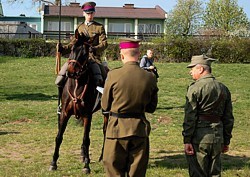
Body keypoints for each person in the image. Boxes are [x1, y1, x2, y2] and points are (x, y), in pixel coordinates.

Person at [101, 38, 158, 177]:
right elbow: (151, 107)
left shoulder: (113, 75)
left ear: (121, 55)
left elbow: (105, 105)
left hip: (116, 129)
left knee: (114, 171)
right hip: (139, 129)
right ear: (139, 55)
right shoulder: (150, 77)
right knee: (137, 172)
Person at [182, 55, 234, 176]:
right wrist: (226, 140)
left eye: (193, 68)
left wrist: (187, 139)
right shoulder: (223, 88)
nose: (190, 71)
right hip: (217, 136)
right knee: (215, 173)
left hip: (199, 138)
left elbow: (190, 116)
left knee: (198, 172)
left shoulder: (194, 88)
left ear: (200, 69)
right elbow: (228, 118)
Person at [55, 1, 108, 114]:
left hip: (93, 58)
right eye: (87, 13)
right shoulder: (79, 28)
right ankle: (61, 104)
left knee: (100, 78)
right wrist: (62, 48)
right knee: (59, 79)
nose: (90, 15)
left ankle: (104, 105)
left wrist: (95, 48)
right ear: (83, 13)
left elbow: (104, 44)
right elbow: (72, 44)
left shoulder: (99, 27)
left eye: (91, 13)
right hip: (77, 59)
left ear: (94, 13)